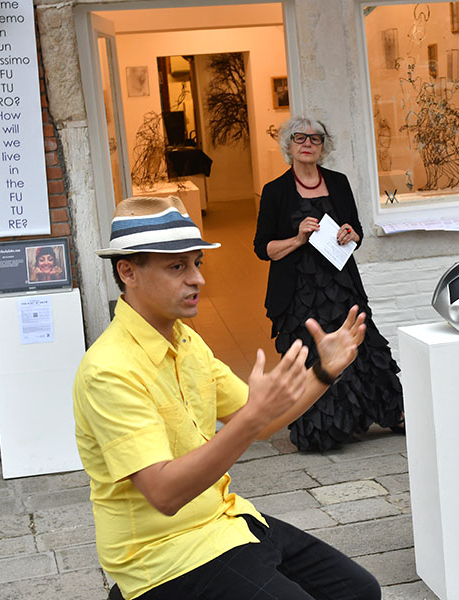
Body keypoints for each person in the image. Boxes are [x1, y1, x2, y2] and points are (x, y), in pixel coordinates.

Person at [73, 195, 380, 600]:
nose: (197, 279)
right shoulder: (109, 369)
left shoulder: (187, 342)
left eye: (197, 263)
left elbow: (262, 420)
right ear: (128, 271)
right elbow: (164, 494)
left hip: (225, 520)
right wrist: (252, 419)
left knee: (359, 591)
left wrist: (323, 372)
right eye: (177, 267)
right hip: (163, 557)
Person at [254, 115, 405, 451]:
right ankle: (326, 426)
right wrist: (297, 239)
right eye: (300, 138)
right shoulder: (275, 191)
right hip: (299, 295)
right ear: (289, 145)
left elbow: (357, 232)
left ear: (324, 147)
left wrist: (351, 234)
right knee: (313, 355)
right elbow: (263, 249)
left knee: (362, 345)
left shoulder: (338, 182)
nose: (307, 143)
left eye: (315, 138)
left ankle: (389, 412)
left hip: (341, 285)